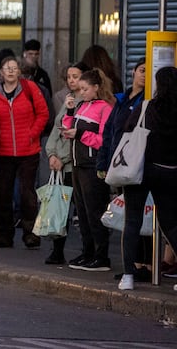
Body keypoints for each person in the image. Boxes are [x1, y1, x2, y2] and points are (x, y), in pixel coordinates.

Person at [118, 66, 177, 290]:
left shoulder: (146, 107)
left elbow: (127, 129)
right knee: (171, 224)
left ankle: (128, 276)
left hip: (140, 171)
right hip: (170, 173)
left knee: (132, 221)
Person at [0, 55, 50, 249]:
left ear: (20, 71)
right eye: (7, 68)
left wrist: (32, 134)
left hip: (28, 150)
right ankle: (3, 236)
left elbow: (43, 113)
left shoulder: (31, 89)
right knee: (3, 194)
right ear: (0, 72)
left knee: (27, 194)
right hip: (3, 151)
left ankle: (31, 233)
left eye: (14, 68)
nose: (11, 71)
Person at [99, 58, 149, 282]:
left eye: (149, 71)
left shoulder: (148, 100)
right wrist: (104, 161)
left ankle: (144, 264)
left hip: (139, 165)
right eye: (141, 70)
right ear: (133, 72)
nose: (144, 75)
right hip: (121, 163)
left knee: (143, 216)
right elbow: (110, 129)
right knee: (132, 216)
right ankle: (134, 264)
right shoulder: (123, 98)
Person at [62, 67, 115, 272]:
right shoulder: (83, 106)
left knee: (95, 212)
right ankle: (88, 252)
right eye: (80, 89)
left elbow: (104, 141)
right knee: (82, 213)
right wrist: (68, 112)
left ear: (96, 87)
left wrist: (80, 134)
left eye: (85, 89)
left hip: (92, 166)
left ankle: (101, 256)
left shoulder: (104, 108)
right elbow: (70, 129)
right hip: (77, 164)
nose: (81, 92)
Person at [42, 61, 89, 265]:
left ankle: (90, 251)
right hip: (59, 165)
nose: (71, 80)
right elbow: (56, 130)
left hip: (74, 165)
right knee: (59, 209)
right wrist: (51, 153)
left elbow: (77, 138)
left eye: (76, 76)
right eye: (69, 76)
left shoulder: (88, 103)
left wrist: (61, 158)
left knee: (83, 211)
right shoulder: (68, 100)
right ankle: (57, 250)